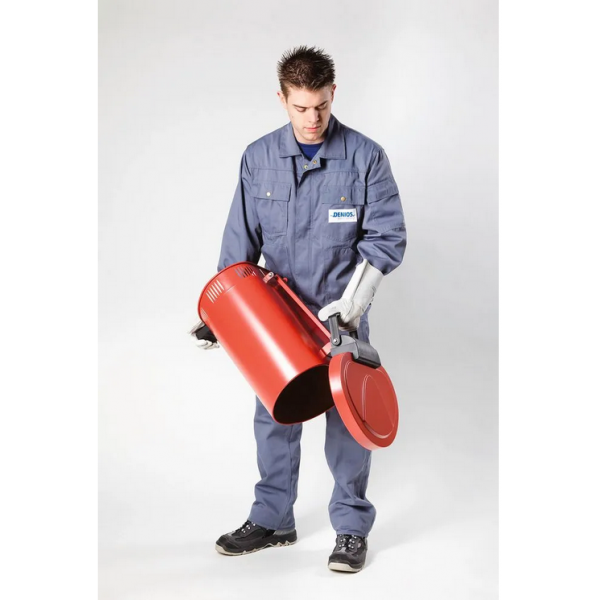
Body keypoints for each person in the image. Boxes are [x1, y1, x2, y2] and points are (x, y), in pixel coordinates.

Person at [195, 46, 407, 572]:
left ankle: (351, 529)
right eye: (301, 108)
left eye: (321, 106)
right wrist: (222, 315)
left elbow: (387, 237)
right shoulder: (258, 158)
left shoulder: (366, 157)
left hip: (341, 317)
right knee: (273, 416)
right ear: (282, 99)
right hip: (276, 318)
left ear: (333, 93)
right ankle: (273, 519)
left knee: (348, 422)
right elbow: (239, 243)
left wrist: (355, 301)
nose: (313, 119)